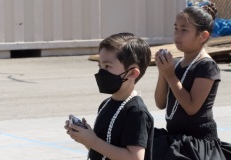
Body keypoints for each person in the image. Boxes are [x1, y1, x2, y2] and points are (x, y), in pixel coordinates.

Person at [153, 2, 231, 160]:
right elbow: (160, 103)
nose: (177, 34)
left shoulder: (207, 66)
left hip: (198, 143)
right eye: (176, 28)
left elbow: (191, 107)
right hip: (175, 136)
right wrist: (163, 72)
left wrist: (170, 76)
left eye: (184, 30)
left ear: (203, 36)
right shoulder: (176, 64)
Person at [64, 32, 154, 160]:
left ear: (132, 73)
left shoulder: (136, 112)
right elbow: (104, 151)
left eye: (107, 66)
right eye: (100, 65)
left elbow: (135, 157)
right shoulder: (106, 104)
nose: (101, 72)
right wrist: (84, 138)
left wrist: (93, 141)